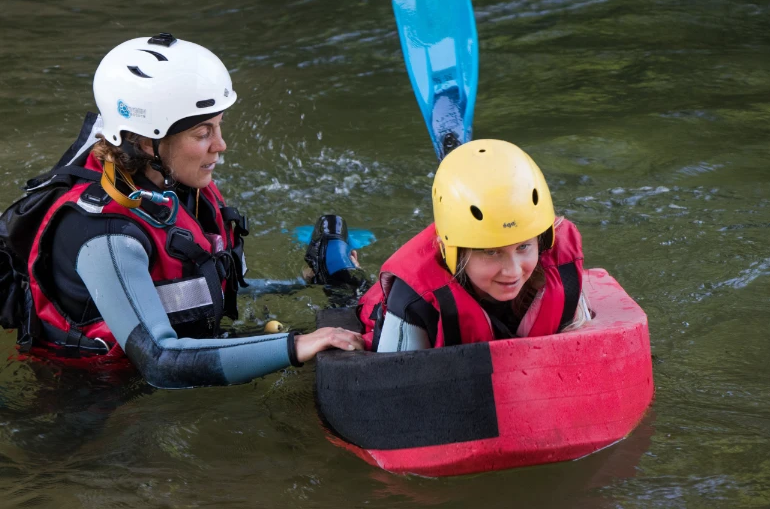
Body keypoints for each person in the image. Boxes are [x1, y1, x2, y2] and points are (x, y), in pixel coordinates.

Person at [10, 32, 362, 388]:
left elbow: (194, 291)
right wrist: (297, 345)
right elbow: (161, 362)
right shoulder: (105, 237)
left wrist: (301, 285)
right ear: (148, 142)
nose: (220, 146)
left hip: (171, 355)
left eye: (219, 126)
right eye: (202, 133)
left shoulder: (171, 187)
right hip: (92, 392)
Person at [357, 139, 591, 352]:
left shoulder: (562, 268)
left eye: (523, 247)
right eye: (491, 252)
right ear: (455, 253)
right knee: (347, 285)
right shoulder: (413, 301)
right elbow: (390, 382)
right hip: (377, 311)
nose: (512, 271)